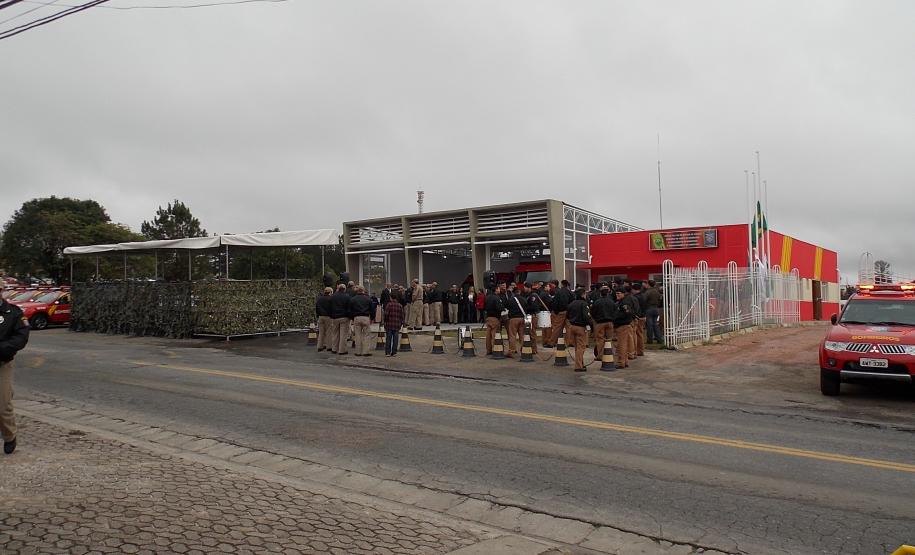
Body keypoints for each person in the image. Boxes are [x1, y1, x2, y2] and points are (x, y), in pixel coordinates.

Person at [1, 295, 30, 454]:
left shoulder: (13, 312)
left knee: (2, 403)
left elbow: (21, 337)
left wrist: (3, 348)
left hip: (2, 364)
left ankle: (9, 435)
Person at [566, 288, 591, 372]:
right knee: (581, 347)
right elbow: (586, 317)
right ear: (583, 295)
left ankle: (581, 363)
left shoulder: (571, 304)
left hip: (572, 326)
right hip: (581, 327)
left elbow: (567, 316)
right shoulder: (584, 304)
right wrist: (590, 325)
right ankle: (578, 366)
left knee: (577, 347)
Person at [590, 285, 617, 359]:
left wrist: (596, 319)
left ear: (600, 293)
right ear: (608, 293)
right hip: (610, 322)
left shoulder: (597, 302)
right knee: (609, 339)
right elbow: (615, 311)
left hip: (600, 323)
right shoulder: (611, 302)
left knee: (600, 339)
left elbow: (592, 312)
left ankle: (600, 355)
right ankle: (610, 354)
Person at [613, 287, 636, 368]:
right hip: (622, 325)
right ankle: (625, 361)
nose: (617, 295)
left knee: (621, 345)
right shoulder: (621, 301)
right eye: (616, 293)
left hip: (623, 325)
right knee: (624, 344)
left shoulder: (624, 302)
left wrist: (616, 317)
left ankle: (621, 362)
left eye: (619, 293)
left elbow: (628, 313)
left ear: (623, 294)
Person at [349, 286, 374, 356]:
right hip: (365, 317)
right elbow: (372, 310)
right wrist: (372, 318)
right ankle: (366, 351)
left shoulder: (353, 299)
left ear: (357, 291)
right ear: (363, 291)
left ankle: (358, 351)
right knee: (366, 335)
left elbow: (350, 310)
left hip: (356, 317)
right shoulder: (368, 299)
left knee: (357, 335)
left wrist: (352, 318)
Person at [548, 280, 574, 348]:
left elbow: (555, 302)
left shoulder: (559, 292)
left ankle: (552, 343)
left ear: (562, 284)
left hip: (560, 312)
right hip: (568, 312)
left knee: (557, 327)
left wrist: (556, 311)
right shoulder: (570, 292)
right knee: (568, 328)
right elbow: (573, 302)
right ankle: (567, 343)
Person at [329, 284, 351, 355]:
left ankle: (334, 349)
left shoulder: (333, 296)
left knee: (335, 334)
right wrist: (349, 316)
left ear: (338, 288)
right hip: (344, 317)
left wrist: (331, 315)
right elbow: (349, 308)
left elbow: (330, 307)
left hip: (335, 317)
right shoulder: (347, 296)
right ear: (344, 289)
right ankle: (342, 350)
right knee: (343, 334)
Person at [505, 285, 527, 358]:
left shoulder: (511, 300)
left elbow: (507, 307)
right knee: (522, 335)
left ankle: (512, 350)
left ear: (513, 292)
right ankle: (524, 349)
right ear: (519, 292)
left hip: (513, 319)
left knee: (512, 335)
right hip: (522, 318)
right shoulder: (524, 299)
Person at [383, 290, 405, 356]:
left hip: (389, 324)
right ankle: (394, 352)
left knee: (388, 339)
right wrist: (401, 323)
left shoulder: (389, 305)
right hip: (397, 325)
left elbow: (386, 314)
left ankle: (388, 352)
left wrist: (385, 322)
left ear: (391, 297)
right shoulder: (400, 305)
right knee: (395, 339)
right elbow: (402, 316)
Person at [483, 286, 504, 355]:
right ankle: (496, 349)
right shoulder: (496, 298)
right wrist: (503, 308)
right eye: (498, 288)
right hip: (495, 318)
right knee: (495, 335)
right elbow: (499, 308)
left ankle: (488, 350)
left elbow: (484, 306)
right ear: (496, 289)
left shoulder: (487, 297)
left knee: (488, 335)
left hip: (488, 317)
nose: (499, 290)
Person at [315, 287, 333, 352]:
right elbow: (332, 308)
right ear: (330, 292)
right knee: (329, 332)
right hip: (328, 317)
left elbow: (317, 307)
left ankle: (320, 346)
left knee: (321, 332)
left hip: (321, 316)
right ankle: (329, 346)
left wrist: (318, 315)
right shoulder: (331, 299)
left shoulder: (319, 299)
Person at [644, 279, 662, 344]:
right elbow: (660, 300)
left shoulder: (648, 292)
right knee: (656, 324)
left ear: (648, 284)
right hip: (656, 309)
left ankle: (650, 340)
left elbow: (644, 300)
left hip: (649, 309)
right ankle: (659, 339)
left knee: (649, 325)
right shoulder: (657, 291)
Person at [631, 282, 646, 357]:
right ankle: (641, 350)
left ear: (634, 289)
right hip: (643, 316)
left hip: (639, 317)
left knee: (637, 334)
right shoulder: (643, 295)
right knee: (640, 333)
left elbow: (636, 308)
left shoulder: (636, 297)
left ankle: (638, 350)